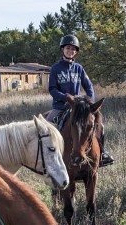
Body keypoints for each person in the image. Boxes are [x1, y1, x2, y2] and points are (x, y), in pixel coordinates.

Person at [47, 34, 115, 167]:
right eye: (68, 48)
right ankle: (49, 158)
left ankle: (102, 154)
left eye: (73, 49)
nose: (70, 51)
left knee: (100, 126)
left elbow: (89, 86)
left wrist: (90, 103)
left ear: (76, 52)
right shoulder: (55, 68)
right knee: (47, 125)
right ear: (62, 49)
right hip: (60, 106)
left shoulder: (79, 68)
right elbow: (52, 89)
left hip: (78, 107)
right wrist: (65, 97)